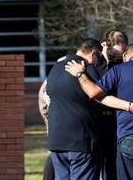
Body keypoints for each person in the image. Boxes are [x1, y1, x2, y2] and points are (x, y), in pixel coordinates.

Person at [65, 43, 133, 179]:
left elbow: (94, 93)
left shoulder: (118, 70)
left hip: (130, 135)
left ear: (125, 56)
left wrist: (80, 74)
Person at [46, 38, 103, 180]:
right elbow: (99, 100)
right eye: (100, 58)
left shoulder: (55, 68)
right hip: (81, 139)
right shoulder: (89, 70)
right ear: (93, 53)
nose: (99, 62)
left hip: (57, 140)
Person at [97, 29, 128, 180]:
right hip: (100, 122)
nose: (117, 60)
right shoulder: (98, 64)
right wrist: (104, 60)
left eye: (120, 56)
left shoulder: (128, 63)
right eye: (113, 56)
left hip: (120, 122)